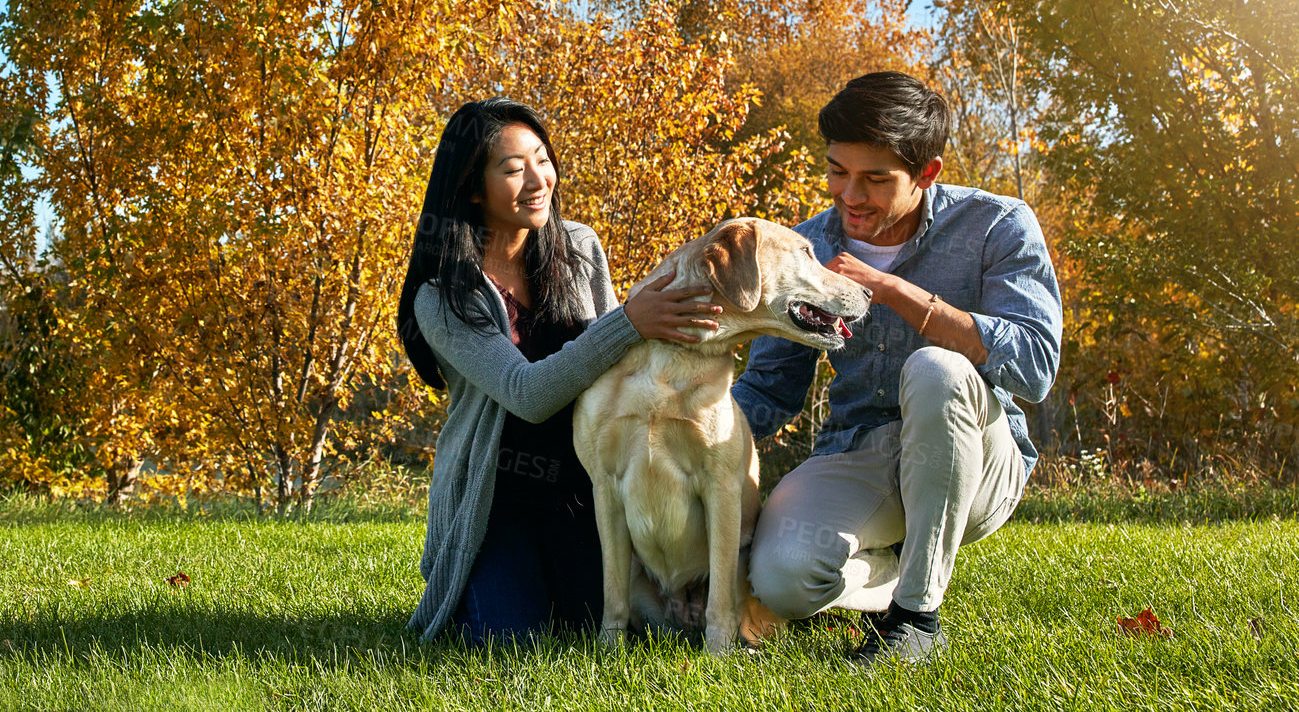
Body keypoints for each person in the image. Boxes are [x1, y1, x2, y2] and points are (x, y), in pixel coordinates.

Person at [732, 71, 1063, 664]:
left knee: (937, 369)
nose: (850, 195)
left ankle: (916, 618)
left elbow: (1035, 367)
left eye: (875, 179)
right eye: (838, 171)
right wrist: (685, 436)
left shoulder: (998, 226)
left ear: (927, 172)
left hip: (977, 460)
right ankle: (888, 575)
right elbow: (769, 389)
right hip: (861, 449)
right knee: (780, 581)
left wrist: (894, 291)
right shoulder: (806, 246)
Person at [398, 97, 716, 643]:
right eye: (513, 169)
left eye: (542, 159)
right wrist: (630, 323)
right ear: (473, 188)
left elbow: (617, 368)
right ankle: (477, 581)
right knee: (512, 640)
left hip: (585, 487)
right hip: (495, 502)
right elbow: (527, 392)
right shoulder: (444, 296)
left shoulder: (580, 246)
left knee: (616, 627)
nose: (537, 180)